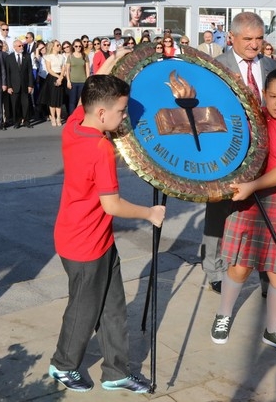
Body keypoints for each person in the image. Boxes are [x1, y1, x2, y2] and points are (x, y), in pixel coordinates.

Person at [48, 72, 166, 394]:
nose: (125, 116)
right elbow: (111, 205)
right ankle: (63, 365)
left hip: (96, 240)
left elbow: (92, 85)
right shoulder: (100, 149)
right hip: (83, 244)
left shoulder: (74, 126)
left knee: (113, 306)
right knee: (83, 311)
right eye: (122, 111)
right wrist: (149, 213)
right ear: (102, 113)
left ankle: (116, 370)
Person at [209, 68, 276, 355]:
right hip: (246, 196)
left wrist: (254, 185)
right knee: (239, 265)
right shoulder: (253, 120)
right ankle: (223, 315)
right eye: (273, 96)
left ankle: (273, 330)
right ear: (264, 94)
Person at [202, 11, 276, 294]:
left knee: (264, 213)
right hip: (227, 152)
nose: (254, 45)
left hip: (265, 151)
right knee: (220, 210)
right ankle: (216, 269)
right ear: (231, 37)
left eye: (259, 39)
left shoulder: (271, 64)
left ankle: (267, 275)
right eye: (248, 39)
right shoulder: (214, 66)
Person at [5, 39, 34, 128]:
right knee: (15, 104)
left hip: (25, 85)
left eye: (22, 46)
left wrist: (30, 85)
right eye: (19, 46)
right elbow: (8, 73)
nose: (22, 47)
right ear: (14, 47)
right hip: (14, 86)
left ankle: (26, 121)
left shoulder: (27, 56)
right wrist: (9, 86)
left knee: (25, 104)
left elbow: (30, 71)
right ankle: (17, 122)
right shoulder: (9, 58)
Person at [40, 40, 67, 126]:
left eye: (60, 45)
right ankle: (53, 117)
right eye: (58, 45)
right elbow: (49, 69)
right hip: (52, 77)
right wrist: (58, 77)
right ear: (53, 47)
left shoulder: (62, 57)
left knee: (58, 99)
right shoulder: (48, 57)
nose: (59, 46)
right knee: (52, 99)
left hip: (60, 76)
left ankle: (58, 117)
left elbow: (63, 67)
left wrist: (61, 77)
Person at [65, 38, 89, 117]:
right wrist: (68, 81)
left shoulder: (85, 56)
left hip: (83, 81)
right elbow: (67, 69)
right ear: (73, 46)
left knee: (81, 101)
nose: (78, 47)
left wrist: (87, 80)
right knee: (72, 101)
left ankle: (80, 117)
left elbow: (87, 69)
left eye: (79, 46)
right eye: (76, 46)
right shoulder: (70, 57)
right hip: (73, 81)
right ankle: (72, 118)